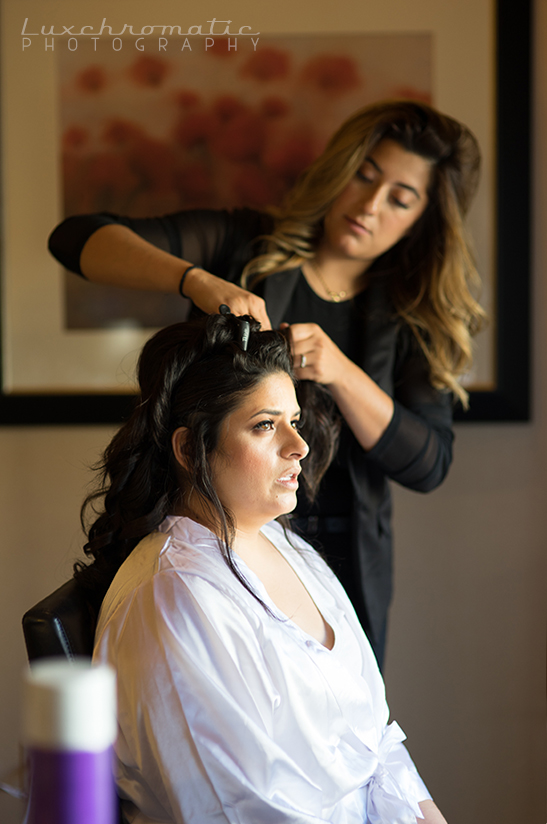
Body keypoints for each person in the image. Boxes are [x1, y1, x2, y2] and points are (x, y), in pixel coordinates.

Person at [49, 100, 485, 668]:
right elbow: (74, 239)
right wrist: (196, 280)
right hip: (214, 535)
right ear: (340, 168)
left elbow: (427, 463)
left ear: (422, 219)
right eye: (365, 175)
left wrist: (341, 371)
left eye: (400, 199)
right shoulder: (243, 244)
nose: (370, 206)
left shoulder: (413, 313)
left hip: (342, 559)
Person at [84, 311, 447, 824]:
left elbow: (378, 746)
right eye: (264, 426)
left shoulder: (286, 544)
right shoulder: (173, 600)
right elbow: (238, 810)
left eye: (293, 422)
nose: (298, 446)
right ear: (190, 448)